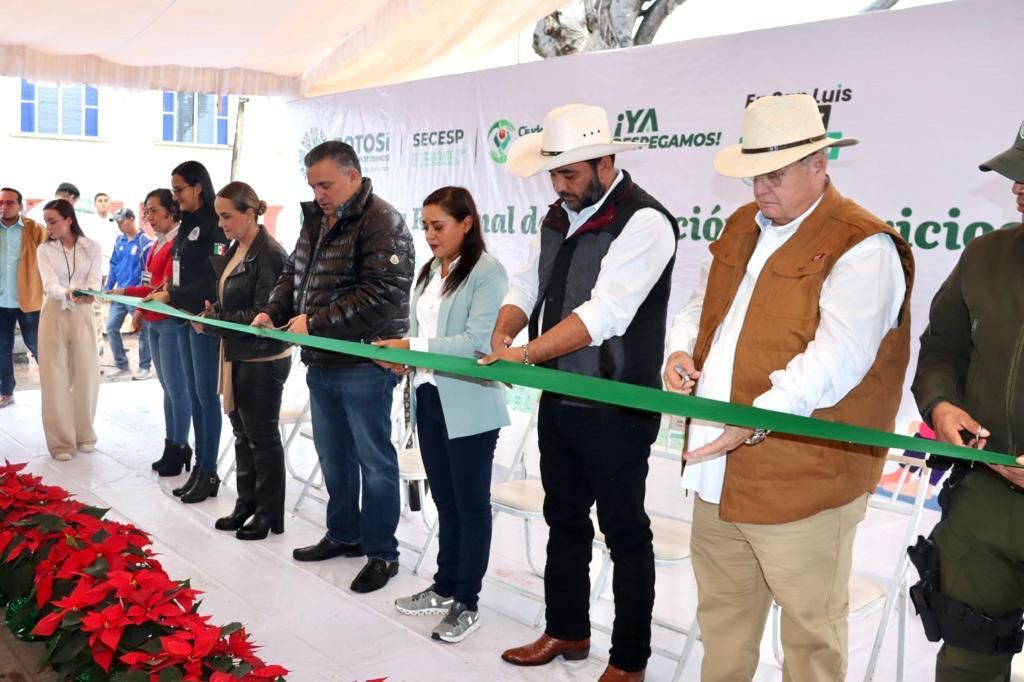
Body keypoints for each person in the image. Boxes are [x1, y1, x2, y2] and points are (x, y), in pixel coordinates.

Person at [662, 94, 913, 681]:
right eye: (754, 176)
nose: (761, 189)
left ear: (819, 166)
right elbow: (703, 305)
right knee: (723, 624)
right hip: (716, 474)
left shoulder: (864, 245)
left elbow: (837, 359)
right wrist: (679, 348)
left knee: (810, 639)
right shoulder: (740, 226)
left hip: (805, 481)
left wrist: (757, 416)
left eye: (774, 175)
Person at [481, 103, 678, 682]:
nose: (560, 186)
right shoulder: (556, 216)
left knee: (625, 532)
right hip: (559, 398)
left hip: (618, 405)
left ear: (606, 162)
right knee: (563, 518)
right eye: (554, 174)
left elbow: (606, 312)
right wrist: (504, 332)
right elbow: (529, 282)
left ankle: (629, 661)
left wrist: (525, 356)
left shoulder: (646, 222)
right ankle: (566, 629)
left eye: (569, 174)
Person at [256, 140, 414, 593]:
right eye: (313, 186)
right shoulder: (315, 219)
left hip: (364, 361)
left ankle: (382, 553)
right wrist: (272, 309)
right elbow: (294, 274)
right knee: (333, 457)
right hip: (322, 359)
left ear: (353, 176)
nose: (319, 194)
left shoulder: (382, 221)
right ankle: (344, 534)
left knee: (374, 462)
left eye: (326, 185)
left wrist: (316, 322)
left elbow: (382, 294)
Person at [910, 118, 1024, 681]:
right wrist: (941, 405)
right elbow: (942, 349)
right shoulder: (985, 255)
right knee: (968, 665)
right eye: (1017, 175)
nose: (1017, 188)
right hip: (982, 502)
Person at [378, 187, 509, 643]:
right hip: (429, 396)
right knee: (447, 503)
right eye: (426, 227)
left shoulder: (487, 272)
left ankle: (467, 603)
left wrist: (411, 347)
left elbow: (477, 343)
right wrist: (405, 360)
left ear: (466, 223)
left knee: (471, 507)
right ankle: (445, 586)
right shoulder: (431, 271)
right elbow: (422, 330)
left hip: (470, 402)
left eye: (439, 226)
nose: (430, 235)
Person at [200, 182, 291, 540]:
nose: (221, 223)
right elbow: (238, 303)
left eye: (227, 216)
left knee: (262, 438)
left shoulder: (270, 254)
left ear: (250, 214)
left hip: (262, 358)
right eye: (219, 216)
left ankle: (268, 514)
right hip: (239, 353)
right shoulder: (238, 247)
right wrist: (216, 312)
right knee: (242, 434)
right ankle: (246, 504)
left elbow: (262, 314)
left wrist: (215, 321)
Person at [145, 161, 229, 503]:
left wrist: (172, 295)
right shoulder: (187, 224)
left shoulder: (215, 226)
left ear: (198, 187)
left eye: (179, 190)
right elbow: (180, 272)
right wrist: (169, 289)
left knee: (205, 398)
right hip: (181, 317)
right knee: (193, 395)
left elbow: (213, 281)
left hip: (202, 321)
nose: (176, 196)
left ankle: (209, 470)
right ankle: (197, 467)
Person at [113, 190, 192, 475]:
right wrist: (130, 299)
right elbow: (150, 286)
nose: (148, 217)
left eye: (154, 210)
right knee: (167, 388)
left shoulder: (178, 244)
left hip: (170, 322)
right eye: (146, 211)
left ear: (172, 211)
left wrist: (133, 298)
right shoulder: (155, 244)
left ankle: (180, 446)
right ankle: (171, 444)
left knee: (177, 388)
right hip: (154, 321)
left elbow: (165, 288)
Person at [36, 199, 102, 460]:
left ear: (68, 220)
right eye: (46, 221)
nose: (48, 226)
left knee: (87, 373)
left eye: (53, 221)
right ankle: (61, 442)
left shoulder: (92, 248)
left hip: (83, 312)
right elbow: (49, 284)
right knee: (54, 377)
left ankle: (85, 434)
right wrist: (68, 293)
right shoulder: (44, 250)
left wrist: (88, 293)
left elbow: (94, 280)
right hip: (54, 311)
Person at [0, 187, 45, 408]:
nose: (4, 207)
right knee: (2, 349)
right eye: (1, 202)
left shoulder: (34, 230)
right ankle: (6, 392)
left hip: (28, 299)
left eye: (9, 203)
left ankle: (57, 388)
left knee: (38, 346)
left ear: (20, 206)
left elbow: (50, 258)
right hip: (1, 302)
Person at [103, 208, 152, 380]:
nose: (119, 225)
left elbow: (148, 271)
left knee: (142, 330)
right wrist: (108, 287)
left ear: (131, 219)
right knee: (111, 328)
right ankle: (121, 364)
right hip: (118, 294)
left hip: (135, 296)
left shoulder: (145, 242)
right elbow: (114, 265)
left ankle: (144, 367)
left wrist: (141, 293)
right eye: (117, 221)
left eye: (121, 221)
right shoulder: (120, 240)